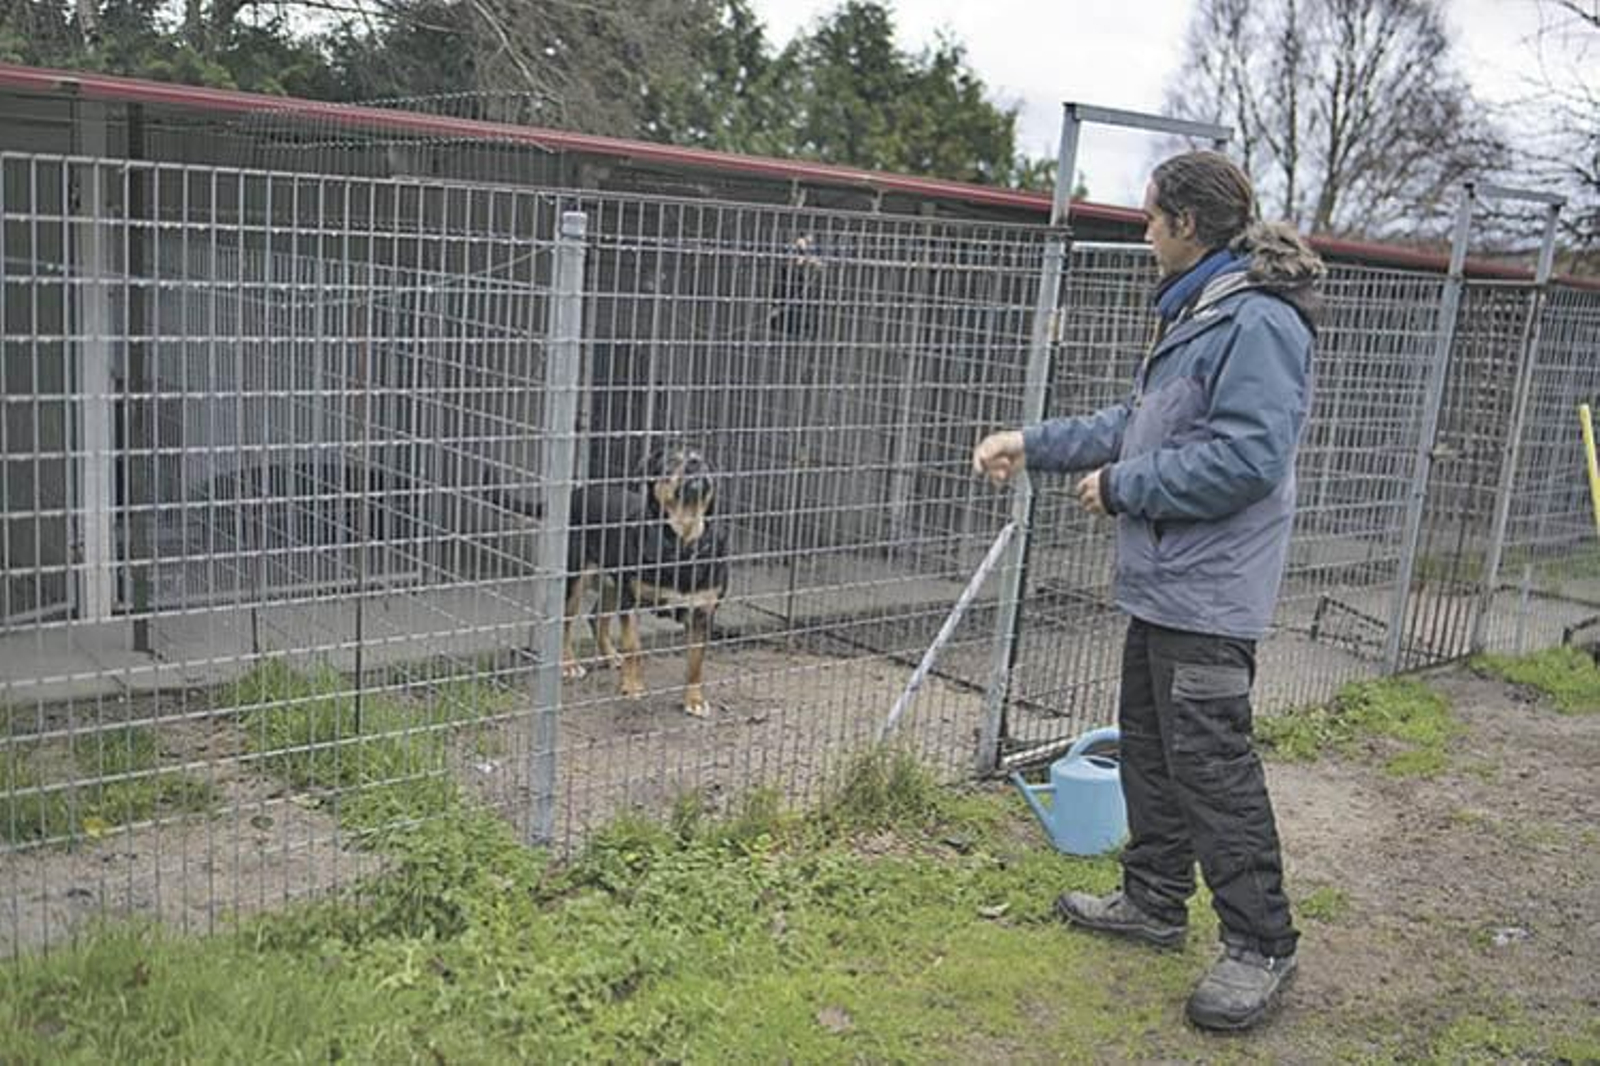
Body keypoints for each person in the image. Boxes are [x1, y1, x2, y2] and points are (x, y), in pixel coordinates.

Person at [973, 149, 1324, 1032]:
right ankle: (1154, 901)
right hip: (1167, 585)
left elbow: (1248, 458)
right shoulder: (1200, 315)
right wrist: (1034, 440)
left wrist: (1127, 486)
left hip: (1211, 593)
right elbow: (1136, 425)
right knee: (1154, 756)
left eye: (1149, 216)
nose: (1142, 230)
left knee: (1214, 769)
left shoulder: (1258, 323)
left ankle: (1260, 944)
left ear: (1188, 225)